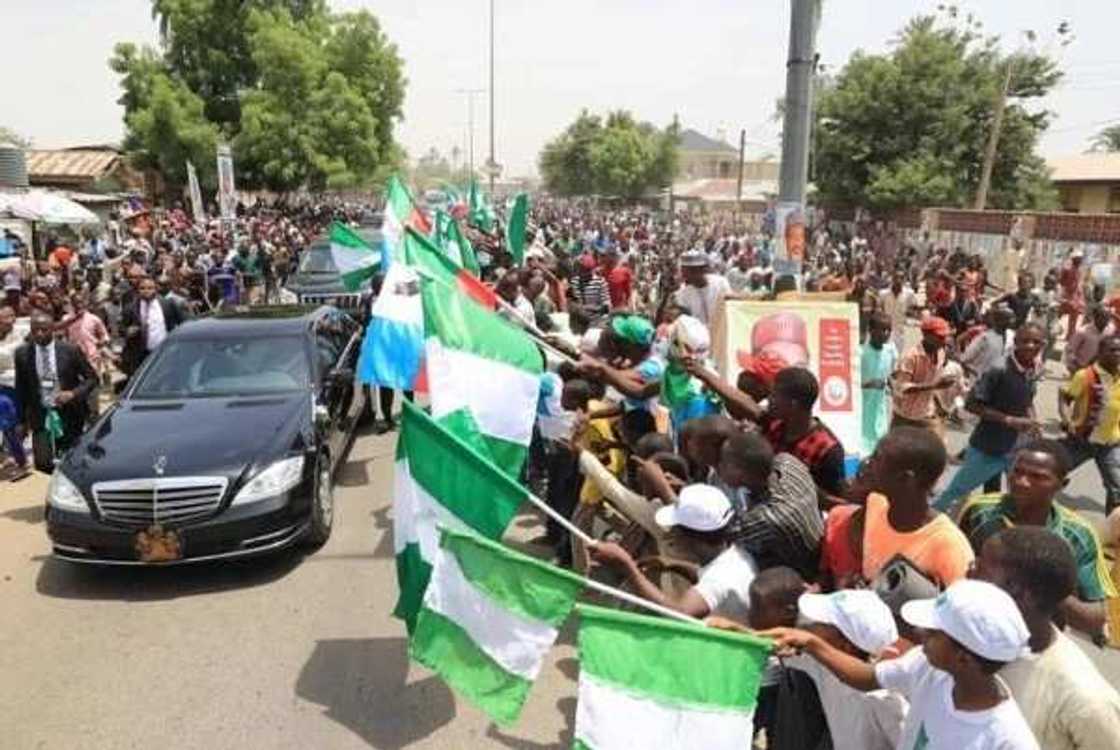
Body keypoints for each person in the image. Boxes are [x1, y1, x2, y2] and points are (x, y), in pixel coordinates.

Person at [756, 579, 1038, 750]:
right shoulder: (927, 668)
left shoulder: (1007, 739)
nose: (920, 634)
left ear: (963, 657)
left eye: (934, 632)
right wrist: (810, 642)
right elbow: (867, 678)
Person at [973, 526, 1120, 749]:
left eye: (980, 571)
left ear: (1022, 595)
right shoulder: (966, 643)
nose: (968, 575)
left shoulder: (1086, 700)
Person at [958, 440, 1115, 640]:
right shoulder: (980, 512)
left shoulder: (1078, 535)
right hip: (970, 626)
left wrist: (1035, 584)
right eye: (1017, 471)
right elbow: (954, 568)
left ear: (1062, 484)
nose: (1022, 482)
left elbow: (1094, 619)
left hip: (1034, 642)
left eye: (1038, 477)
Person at [589, 484, 757, 620]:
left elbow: (680, 613)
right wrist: (674, 565)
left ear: (689, 537)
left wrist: (627, 566)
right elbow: (708, 578)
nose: (670, 535)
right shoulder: (734, 555)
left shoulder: (718, 580)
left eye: (674, 530)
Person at [834, 427, 974, 589]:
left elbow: (964, 609)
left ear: (906, 478)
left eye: (876, 459)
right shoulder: (875, 503)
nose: (867, 463)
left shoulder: (950, 547)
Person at [772, 589, 908, 750]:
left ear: (845, 645)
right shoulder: (822, 666)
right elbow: (771, 644)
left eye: (821, 624)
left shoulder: (884, 699)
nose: (808, 625)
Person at [934, 323, 1045, 512]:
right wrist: (1009, 420)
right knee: (955, 494)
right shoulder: (999, 369)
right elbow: (972, 404)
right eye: (1025, 341)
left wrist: (1033, 421)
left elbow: (1027, 399)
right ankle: (925, 526)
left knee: (1020, 498)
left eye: (1036, 342)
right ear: (1016, 342)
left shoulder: (1034, 368)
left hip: (1017, 449)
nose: (1031, 346)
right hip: (989, 447)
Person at [718, 431, 824, 580]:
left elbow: (717, 535)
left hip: (801, 576)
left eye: (723, 462)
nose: (719, 466)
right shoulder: (788, 462)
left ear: (739, 473)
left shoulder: (769, 518)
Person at [14, 312, 98, 472]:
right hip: (40, 414)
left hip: (70, 413)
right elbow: (21, 388)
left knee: (71, 459)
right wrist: (22, 421)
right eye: (35, 330)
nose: (39, 334)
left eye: (44, 329)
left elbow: (92, 379)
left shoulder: (70, 350)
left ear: (53, 329)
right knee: (43, 463)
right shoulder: (22, 353)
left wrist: (72, 394)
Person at [759, 367, 847, 502]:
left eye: (774, 395)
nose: (769, 399)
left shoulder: (827, 449)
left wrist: (805, 489)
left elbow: (839, 503)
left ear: (793, 404)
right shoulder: (773, 425)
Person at [1059, 333, 1120, 516]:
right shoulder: (1084, 375)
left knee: (1117, 489)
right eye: (1113, 350)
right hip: (1081, 441)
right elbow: (1065, 397)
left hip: (1110, 443)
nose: (1118, 354)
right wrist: (1066, 419)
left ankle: (1114, 531)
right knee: (1051, 472)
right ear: (1100, 351)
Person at [891, 316, 956, 436]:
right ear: (926, 335)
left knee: (936, 449)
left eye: (945, 336)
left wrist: (940, 405)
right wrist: (934, 385)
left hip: (926, 415)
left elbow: (934, 384)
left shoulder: (941, 353)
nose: (944, 340)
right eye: (940, 337)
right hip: (905, 416)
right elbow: (902, 388)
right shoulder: (911, 357)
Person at [120, 276, 187, 377]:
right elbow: (121, 329)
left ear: (156, 289)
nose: (146, 291)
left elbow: (184, 324)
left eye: (150, 288)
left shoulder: (167, 305)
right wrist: (127, 331)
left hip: (164, 353)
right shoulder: (130, 308)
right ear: (137, 290)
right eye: (142, 288)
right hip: (140, 356)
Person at [861, 312, 898, 456]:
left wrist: (892, 386)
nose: (886, 333)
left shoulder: (890, 352)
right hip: (863, 407)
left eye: (888, 330)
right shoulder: (861, 353)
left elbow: (889, 375)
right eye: (882, 329)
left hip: (879, 407)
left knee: (878, 442)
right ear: (871, 330)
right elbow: (852, 384)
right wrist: (867, 384)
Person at [674, 250, 731, 327]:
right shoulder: (682, 295)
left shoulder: (721, 283)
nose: (686, 275)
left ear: (703, 269)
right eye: (684, 271)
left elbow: (731, 308)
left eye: (692, 271)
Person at [959, 305, 1014, 382]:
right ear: (998, 320)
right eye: (1007, 318)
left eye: (1011, 318)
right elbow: (965, 359)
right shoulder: (985, 338)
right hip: (977, 380)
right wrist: (975, 372)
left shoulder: (1011, 336)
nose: (1011, 321)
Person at [1065, 305, 1114, 375]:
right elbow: (1070, 350)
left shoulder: (1110, 330)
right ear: (1095, 317)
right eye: (1103, 317)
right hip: (1081, 368)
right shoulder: (1083, 332)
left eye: (1108, 317)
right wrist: (1074, 366)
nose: (1106, 319)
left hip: (1100, 371)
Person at [878, 271, 918, 354]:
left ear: (904, 280)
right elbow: (879, 308)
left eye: (901, 278)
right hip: (886, 330)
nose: (898, 280)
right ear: (892, 279)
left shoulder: (909, 294)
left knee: (897, 355)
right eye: (896, 278)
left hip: (900, 330)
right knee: (885, 353)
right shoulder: (883, 294)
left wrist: (909, 313)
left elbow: (913, 308)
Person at [1059, 250, 1087, 342]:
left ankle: (1070, 334)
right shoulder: (1067, 269)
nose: (1079, 261)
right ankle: (1056, 330)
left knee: (1074, 316)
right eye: (1078, 259)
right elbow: (1062, 281)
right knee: (1059, 312)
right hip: (1067, 294)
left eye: (1080, 260)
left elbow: (1079, 284)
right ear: (1074, 259)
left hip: (1075, 296)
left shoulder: (1079, 271)